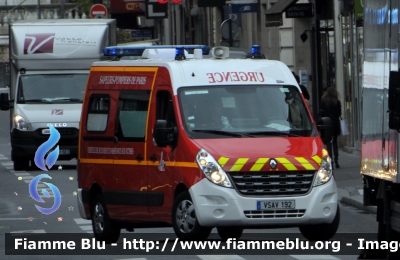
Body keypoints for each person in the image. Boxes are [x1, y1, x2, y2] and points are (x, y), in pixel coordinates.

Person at [320, 87, 342, 168]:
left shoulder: (323, 101)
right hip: (335, 122)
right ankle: (336, 160)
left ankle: (330, 161)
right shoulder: (337, 102)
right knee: (335, 142)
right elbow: (339, 113)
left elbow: (321, 112)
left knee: (328, 142)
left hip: (327, 122)